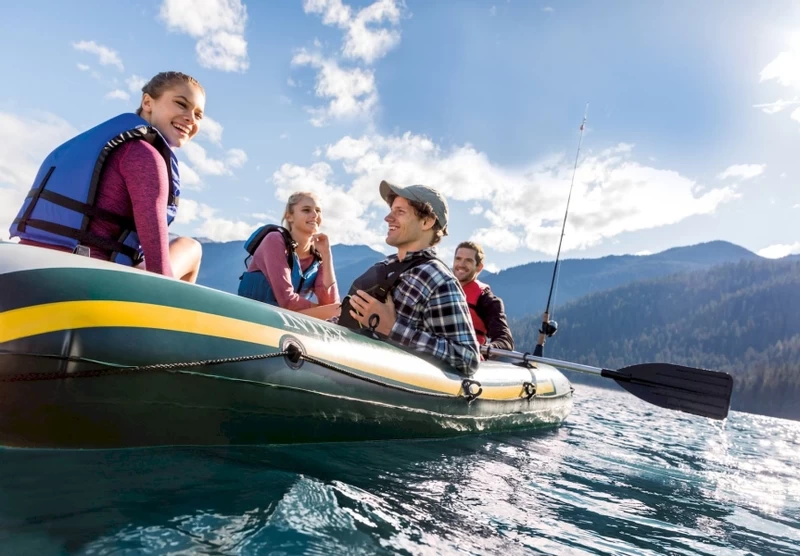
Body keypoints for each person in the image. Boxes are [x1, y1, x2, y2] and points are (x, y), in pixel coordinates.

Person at [9, 71, 204, 282]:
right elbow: (158, 267)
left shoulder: (73, 147)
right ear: (147, 102)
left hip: (27, 263)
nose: (190, 118)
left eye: (198, 115)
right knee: (191, 248)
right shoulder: (144, 156)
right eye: (181, 104)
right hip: (85, 277)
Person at [338, 180, 479, 376]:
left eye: (400, 212)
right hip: (345, 370)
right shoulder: (385, 266)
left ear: (426, 222)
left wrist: (392, 329)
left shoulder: (439, 279)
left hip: (384, 384)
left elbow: (467, 358)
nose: (388, 218)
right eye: (391, 211)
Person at [238, 192, 340, 319]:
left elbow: (330, 303)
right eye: (306, 210)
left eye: (318, 211)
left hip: (286, 323)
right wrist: (325, 311)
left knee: (338, 312)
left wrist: (326, 255)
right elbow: (287, 301)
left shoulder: (317, 256)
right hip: (251, 318)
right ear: (289, 216)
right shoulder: (274, 240)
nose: (315, 215)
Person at [453, 241, 515, 352]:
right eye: (458, 259)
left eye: (468, 260)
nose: (461, 264)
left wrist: (487, 349)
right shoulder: (438, 289)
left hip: (467, 357)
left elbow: (505, 340)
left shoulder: (487, 300)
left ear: (479, 267)